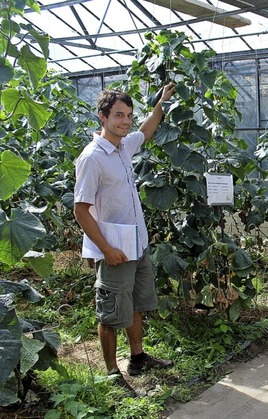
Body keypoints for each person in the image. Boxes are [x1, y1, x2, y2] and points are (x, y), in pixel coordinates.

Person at [74, 84, 177, 394]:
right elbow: (80, 210)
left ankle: (137, 358)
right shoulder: (93, 158)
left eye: (129, 115)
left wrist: (161, 103)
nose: (126, 121)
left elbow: (146, 130)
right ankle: (110, 373)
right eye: (119, 115)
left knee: (134, 305)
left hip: (136, 242)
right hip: (114, 248)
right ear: (102, 116)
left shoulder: (122, 147)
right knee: (109, 312)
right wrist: (106, 249)